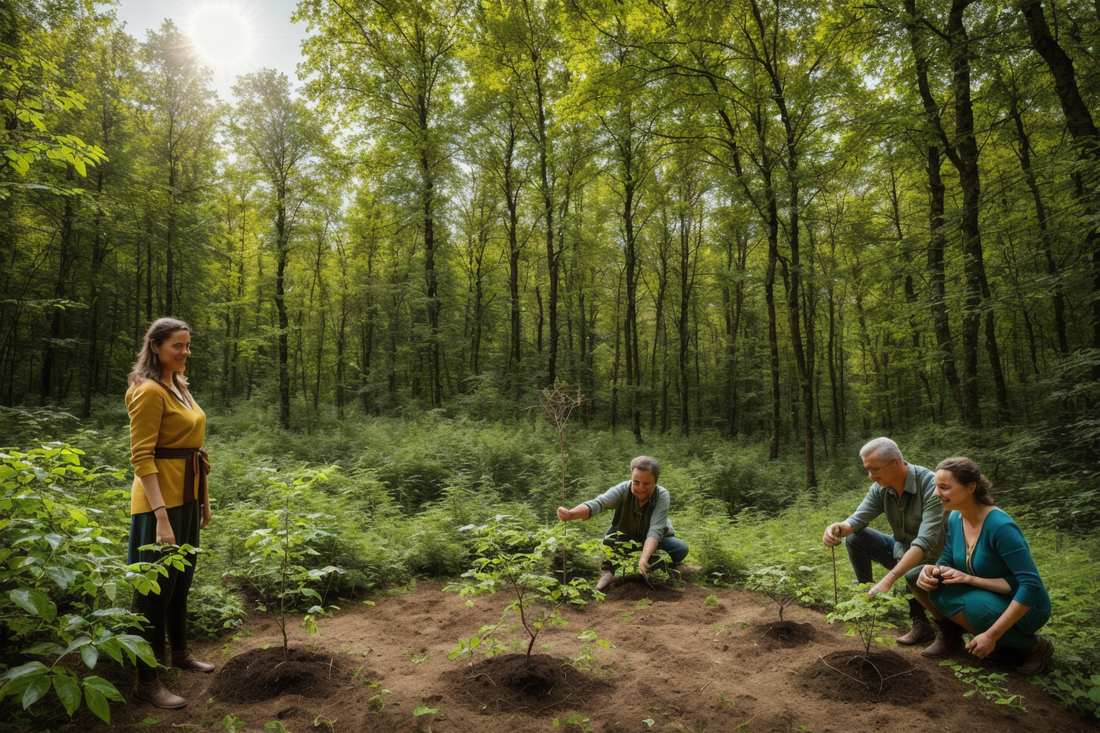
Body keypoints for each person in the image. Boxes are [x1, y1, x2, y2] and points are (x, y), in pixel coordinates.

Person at [126, 318, 214, 709]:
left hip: (187, 498)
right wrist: (161, 517)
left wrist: (202, 502)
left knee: (181, 581)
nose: (185, 352)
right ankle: (146, 680)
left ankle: (179, 654)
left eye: (188, 345)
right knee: (153, 592)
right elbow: (142, 456)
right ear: (156, 346)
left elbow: (192, 447)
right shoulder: (147, 391)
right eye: (177, 345)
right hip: (158, 503)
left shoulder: (178, 385)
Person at [913, 457, 1053, 674]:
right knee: (917, 578)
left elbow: (1030, 585)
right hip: (985, 592)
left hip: (1027, 605)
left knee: (975, 609)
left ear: (971, 487)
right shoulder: (955, 518)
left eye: (944, 487)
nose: (935, 493)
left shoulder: (1000, 527)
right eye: (935, 487)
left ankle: (1034, 647)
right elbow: (948, 559)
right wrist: (932, 569)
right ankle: (953, 634)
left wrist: (991, 635)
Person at [822, 437, 945, 645]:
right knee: (855, 537)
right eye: (867, 470)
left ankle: (922, 623)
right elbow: (855, 521)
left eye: (875, 469)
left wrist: (889, 579)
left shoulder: (932, 486)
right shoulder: (881, 488)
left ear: (895, 464)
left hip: (934, 561)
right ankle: (868, 601)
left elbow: (925, 542)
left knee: (912, 565)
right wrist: (836, 529)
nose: (871, 477)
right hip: (900, 551)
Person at [557, 456, 689, 591]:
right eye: (636, 482)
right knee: (610, 540)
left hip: (655, 540)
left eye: (646, 484)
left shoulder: (662, 495)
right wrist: (571, 514)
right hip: (624, 536)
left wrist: (644, 558)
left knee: (680, 548)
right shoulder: (621, 490)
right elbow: (598, 503)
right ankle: (607, 573)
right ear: (631, 477)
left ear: (655, 482)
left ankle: (653, 568)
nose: (640, 488)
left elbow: (655, 529)